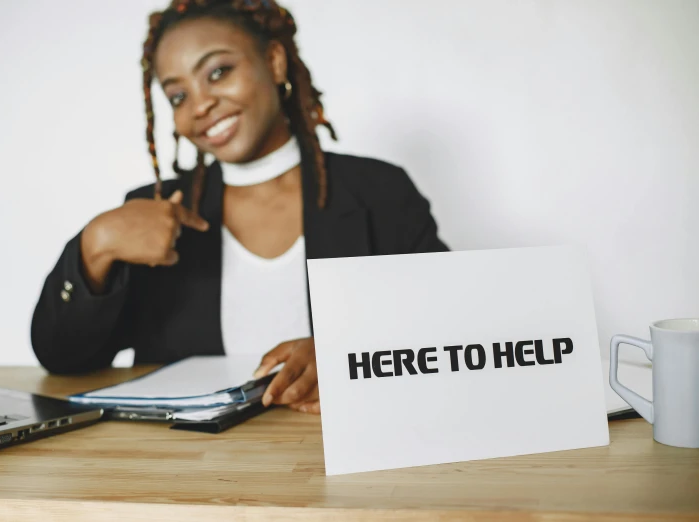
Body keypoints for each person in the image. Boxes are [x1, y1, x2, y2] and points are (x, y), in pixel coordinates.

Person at [30, 0, 450, 415]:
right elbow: (65, 361)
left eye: (218, 72)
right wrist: (95, 245)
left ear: (274, 61)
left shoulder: (379, 191)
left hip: (339, 458)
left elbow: (451, 327)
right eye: (177, 95)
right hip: (192, 468)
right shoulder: (151, 212)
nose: (200, 105)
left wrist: (352, 356)